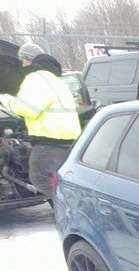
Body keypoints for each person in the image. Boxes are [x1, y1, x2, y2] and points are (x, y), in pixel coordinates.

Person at [0, 43, 82, 200]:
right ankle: (70, 203)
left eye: (22, 62)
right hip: (69, 140)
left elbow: (27, 108)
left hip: (50, 140)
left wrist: (4, 98)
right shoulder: (56, 79)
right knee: (60, 177)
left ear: (27, 59)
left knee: (38, 177)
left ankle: (68, 205)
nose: (22, 66)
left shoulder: (35, 78)